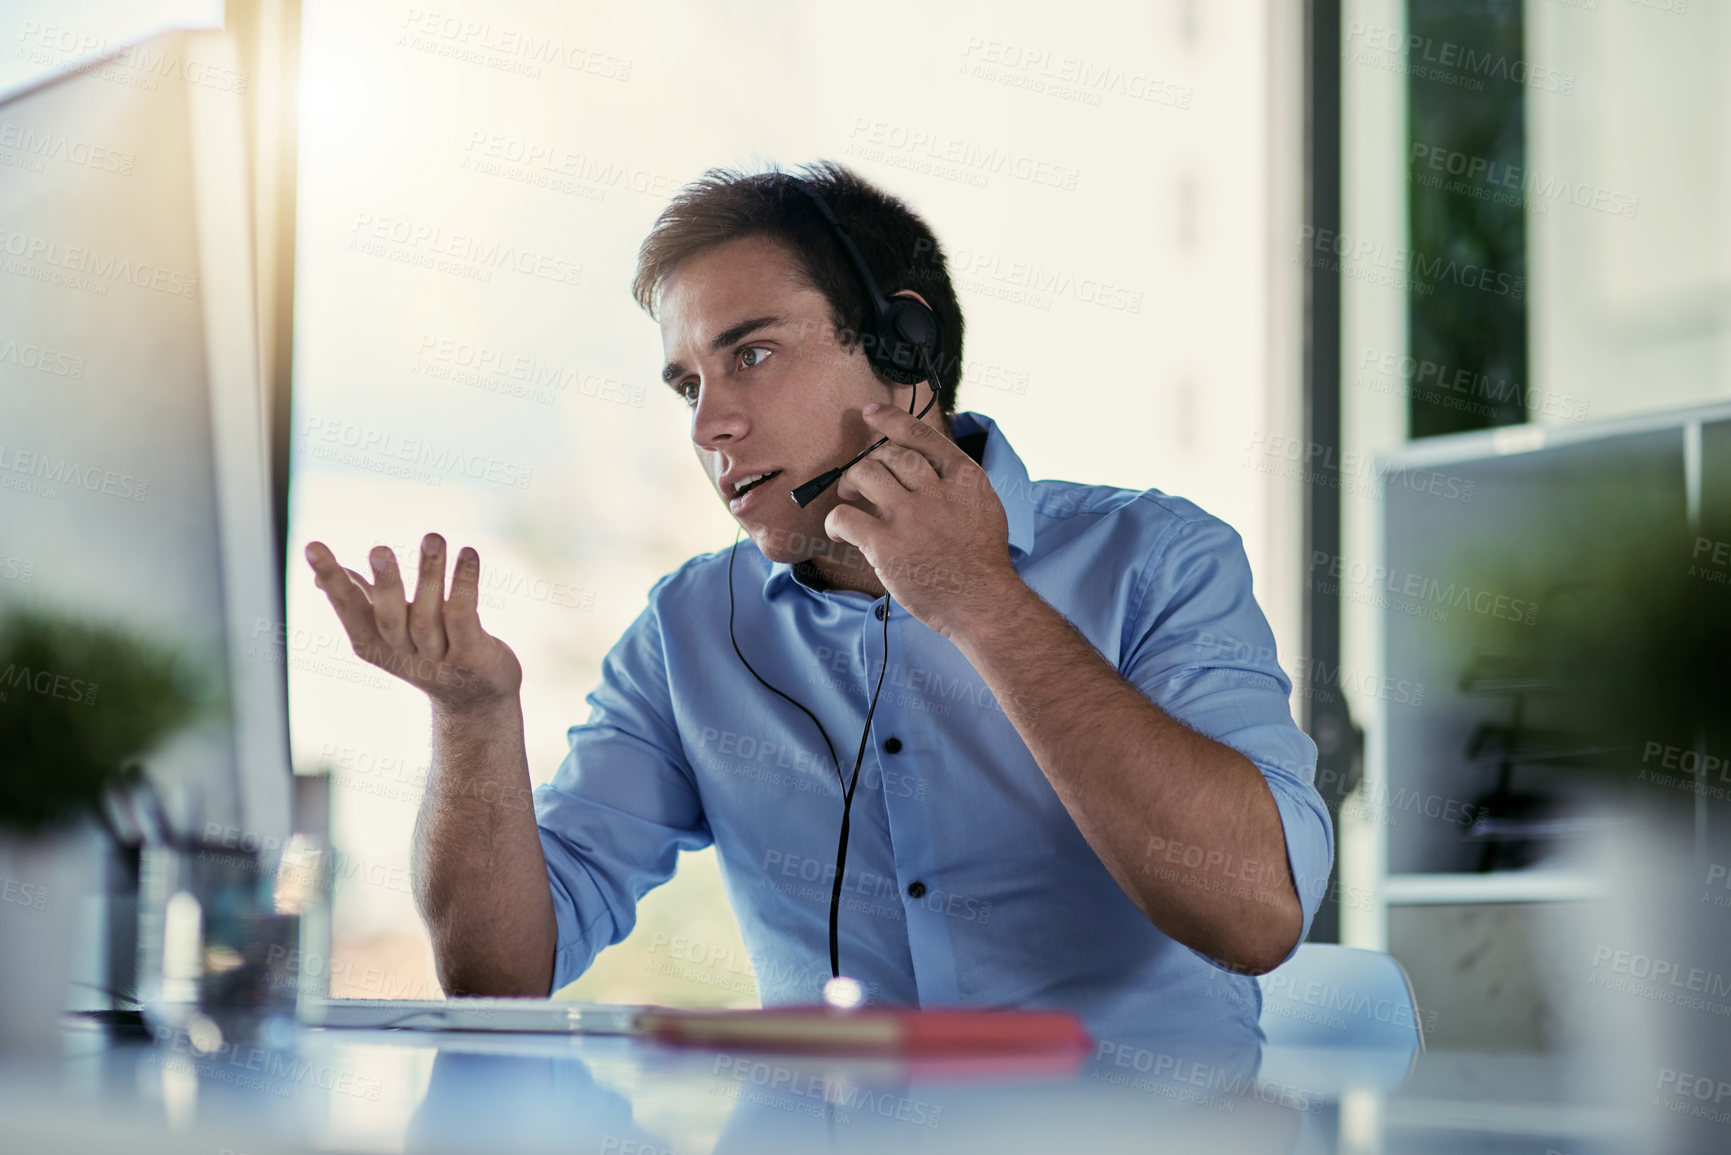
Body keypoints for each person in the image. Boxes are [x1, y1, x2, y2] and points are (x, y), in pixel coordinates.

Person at [305, 160, 1333, 1040]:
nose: (710, 426)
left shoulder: (1157, 558)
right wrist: (473, 717)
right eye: (687, 385)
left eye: (751, 354)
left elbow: (1254, 919)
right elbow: (501, 976)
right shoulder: (687, 634)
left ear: (905, 349)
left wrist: (978, 598)